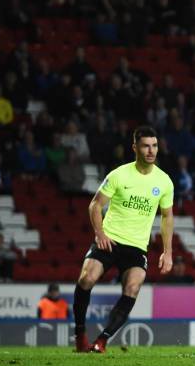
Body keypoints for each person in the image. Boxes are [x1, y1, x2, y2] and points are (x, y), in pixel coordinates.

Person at [72, 126, 175, 353]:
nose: (151, 150)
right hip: (110, 240)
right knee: (86, 279)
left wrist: (168, 252)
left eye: (155, 145)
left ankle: (102, 340)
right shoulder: (119, 174)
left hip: (137, 247)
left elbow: (167, 216)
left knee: (133, 287)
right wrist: (100, 233)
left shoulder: (164, 181)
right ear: (135, 148)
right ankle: (80, 334)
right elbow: (95, 205)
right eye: (146, 145)